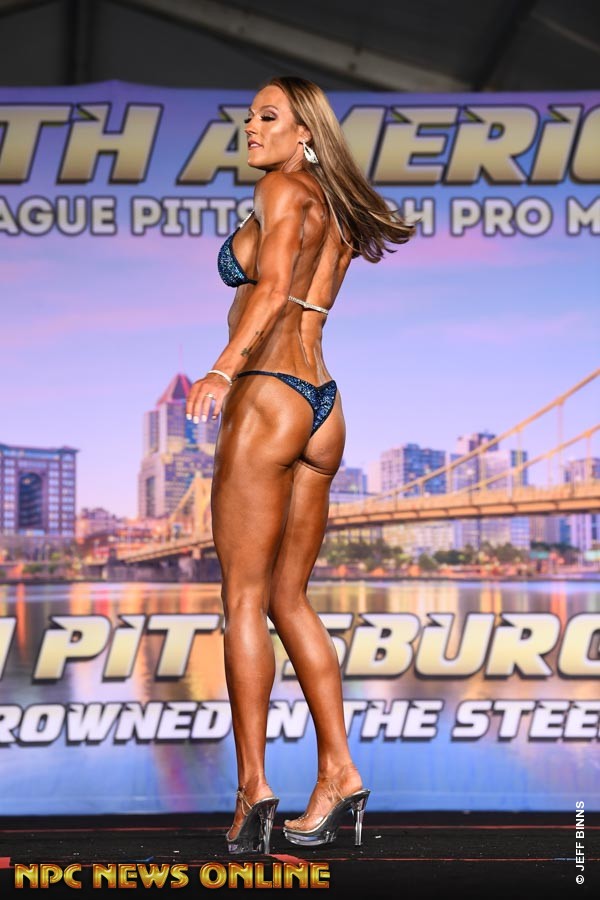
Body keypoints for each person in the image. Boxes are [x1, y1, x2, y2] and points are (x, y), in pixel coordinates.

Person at [186, 75, 416, 855]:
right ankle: (340, 774)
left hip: (268, 393)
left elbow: (275, 287)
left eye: (268, 116)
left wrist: (221, 368)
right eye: (249, 115)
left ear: (304, 132)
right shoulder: (337, 205)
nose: (251, 127)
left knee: (244, 602)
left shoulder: (282, 190)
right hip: (324, 404)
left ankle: (253, 790)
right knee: (290, 599)